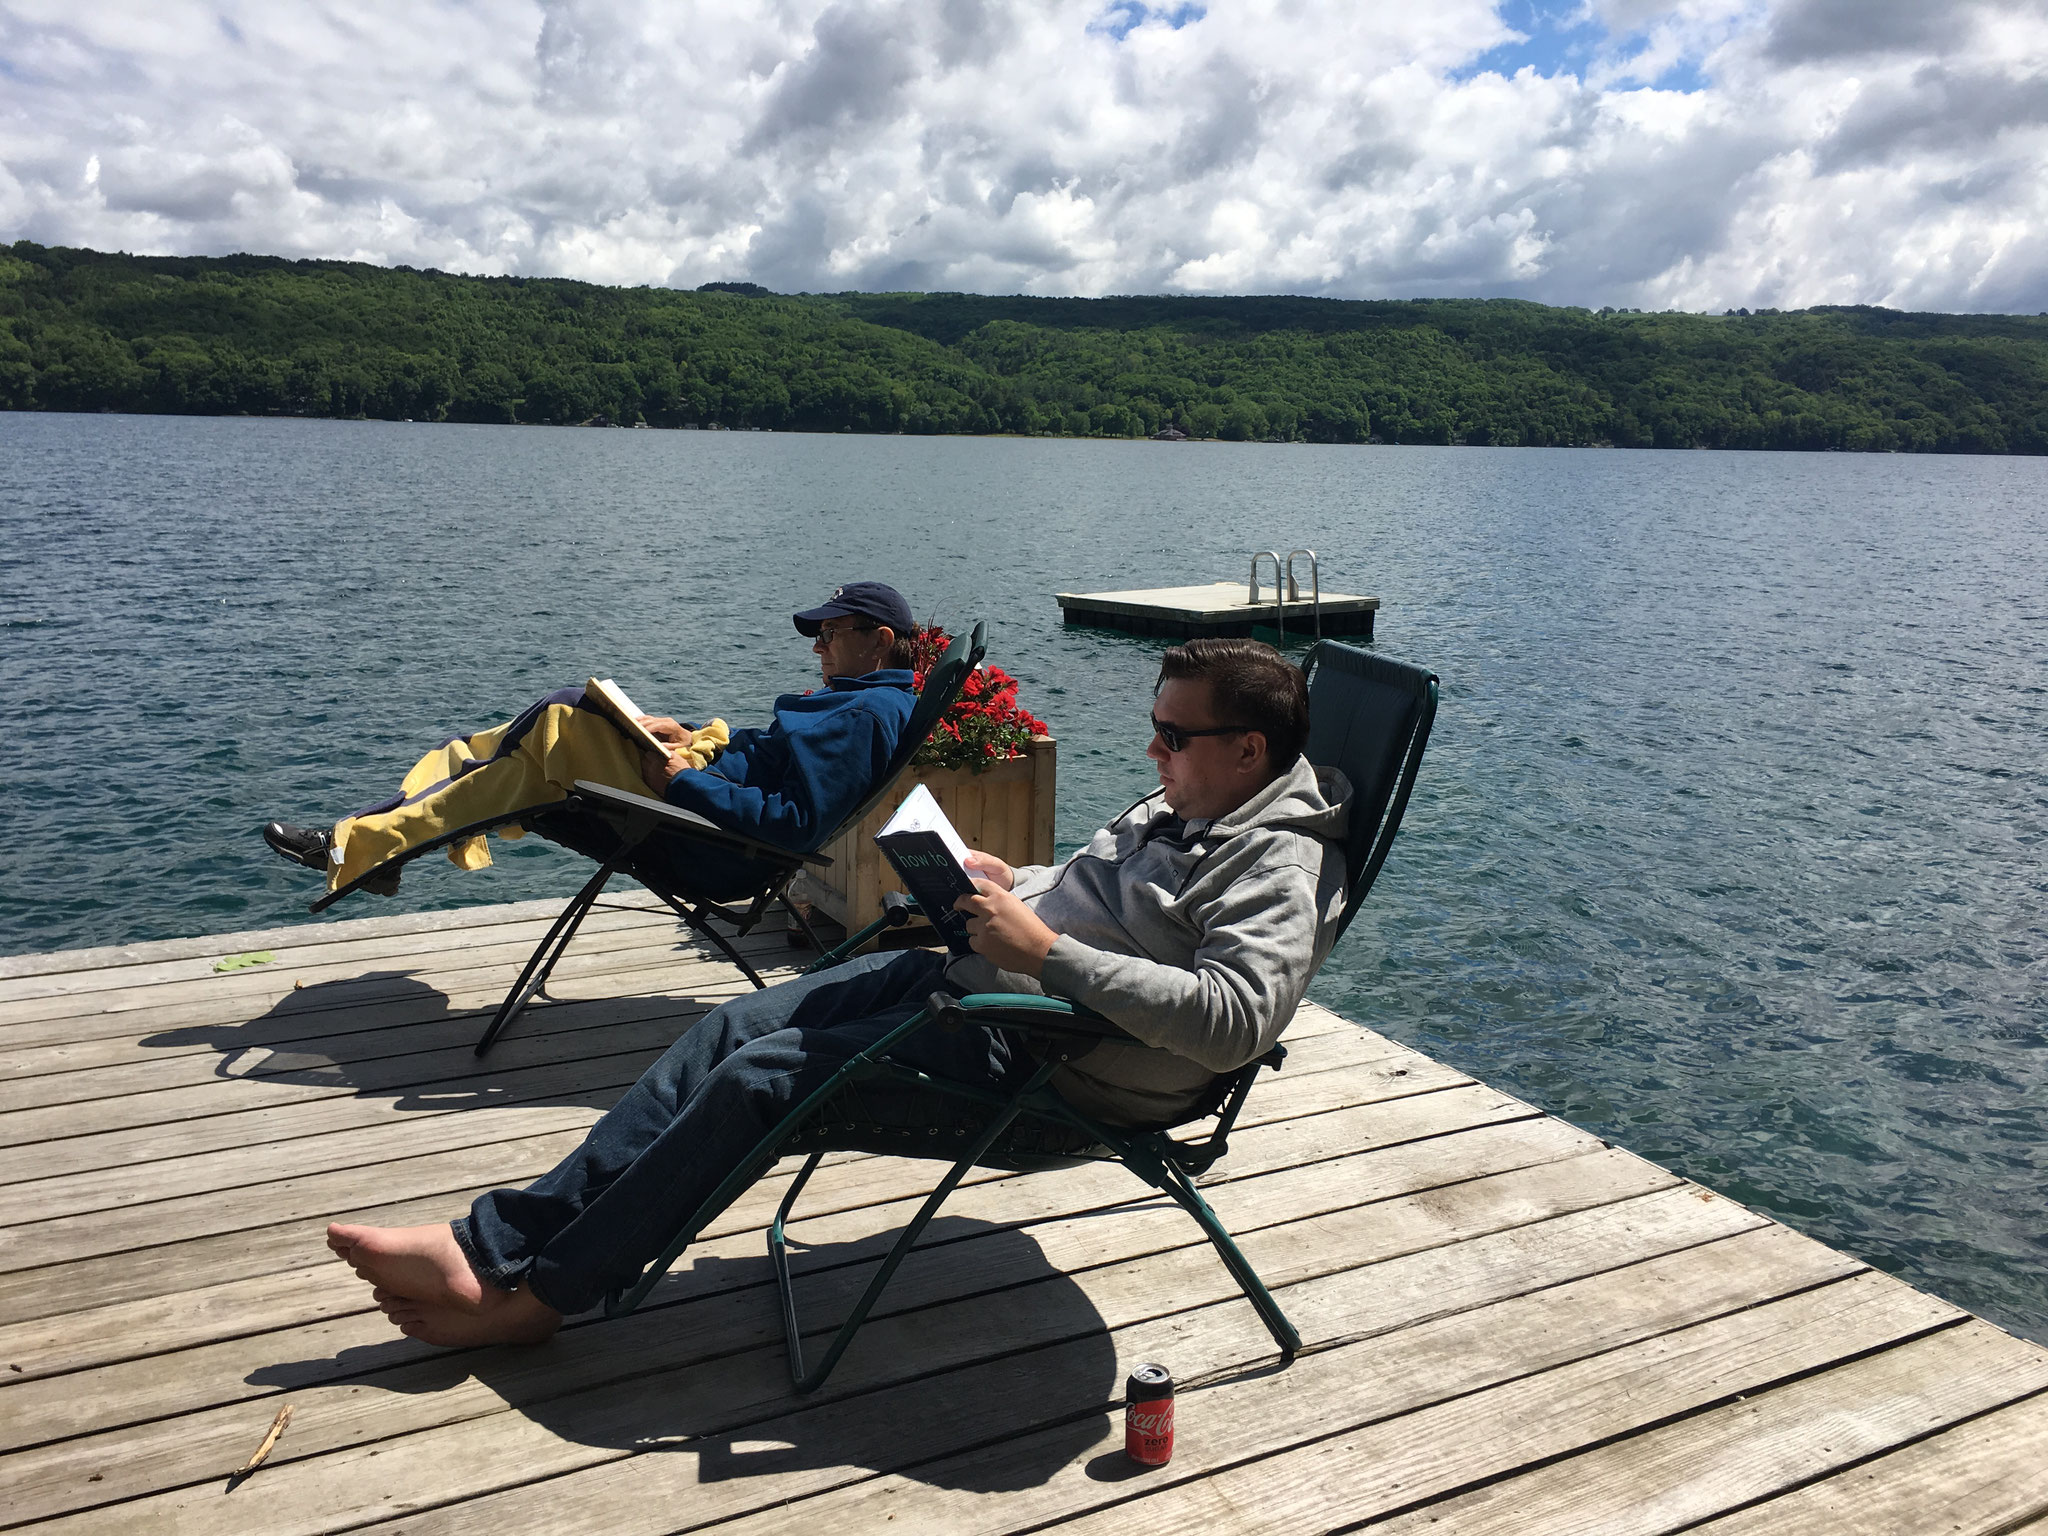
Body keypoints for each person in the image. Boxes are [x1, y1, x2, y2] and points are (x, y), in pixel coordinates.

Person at [327, 637, 1352, 1346]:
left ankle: (537, 1298)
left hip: (1054, 1058)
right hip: (984, 984)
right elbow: (1095, 897)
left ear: (1248, 750)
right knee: (731, 1024)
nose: (1151, 749)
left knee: (765, 1076)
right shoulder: (1191, 794)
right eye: (1156, 728)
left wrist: (1042, 953)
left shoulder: (1278, 864)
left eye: (1171, 735)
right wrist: (1009, 884)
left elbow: (1234, 1022)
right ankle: (493, 1241)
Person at [262, 582, 919, 897]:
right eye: (819, 636)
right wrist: (696, 738)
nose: (819, 647)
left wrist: (684, 779)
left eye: (830, 635)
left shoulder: (862, 717)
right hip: (700, 813)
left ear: (879, 640)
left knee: (562, 717)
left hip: (709, 846)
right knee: (514, 766)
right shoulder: (864, 702)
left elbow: (795, 824)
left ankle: (363, 846)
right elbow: (775, 767)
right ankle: (369, 846)